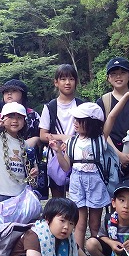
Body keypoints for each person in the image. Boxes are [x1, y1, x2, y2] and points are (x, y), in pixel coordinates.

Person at [48, 101, 120, 248]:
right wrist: (58, 151)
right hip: (77, 182)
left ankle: (96, 251)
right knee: (79, 223)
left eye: (80, 120)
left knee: (95, 223)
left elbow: (112, 116)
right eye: (75, 119)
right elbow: (66, 166)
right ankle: (78, 255)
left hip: (95, 182)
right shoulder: (71, 142)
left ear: (92, 123)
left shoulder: (100, 139)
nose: (75, 123)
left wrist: (127, 96)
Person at [96, 57, 129, 183]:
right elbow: (102, 132)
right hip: (109, 157)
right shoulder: (103, 102)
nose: (118, 76)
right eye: (113, 73)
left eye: (122, 73)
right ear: (108, 78)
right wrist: (118, 154)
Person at [39, 64, 85, 198]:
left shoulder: (82, 106)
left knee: (79, 200)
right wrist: (63, 138)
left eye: (71, 79)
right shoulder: (50, 107)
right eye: (63, 79)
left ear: (76, 82)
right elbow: (42, 135)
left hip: (79, 158)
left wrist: (71, 142)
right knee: (58, 200)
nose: (67, 82)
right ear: (56, 82)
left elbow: (89, 132)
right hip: (55, 158)